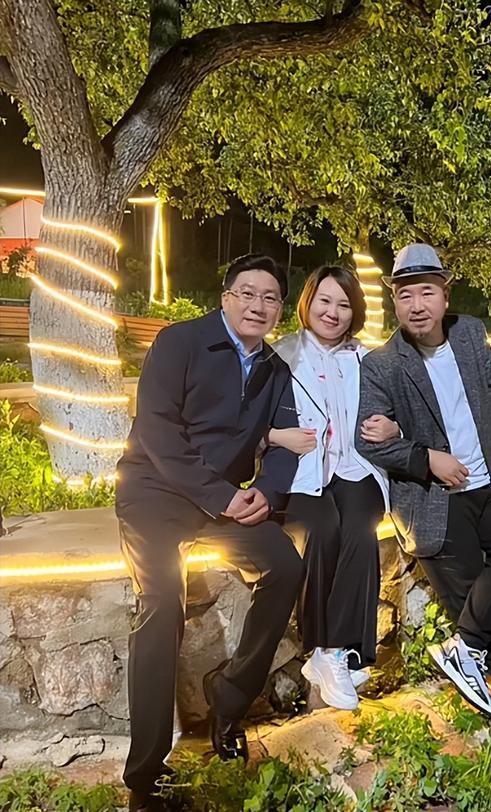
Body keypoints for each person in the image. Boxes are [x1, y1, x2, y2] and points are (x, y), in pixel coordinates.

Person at [355, 243, 491, 738]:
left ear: (445, 295)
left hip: (486, 485)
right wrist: (425, 458)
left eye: (426, 292)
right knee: (471, 582)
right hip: (433, 498)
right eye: (405, 295)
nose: (417, 305)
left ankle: (466, 647)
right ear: (394, 301)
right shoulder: (382, 364)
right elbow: (366, 440)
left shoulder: (471, 335)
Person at [116, 254, 304, 811]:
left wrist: (267, 491)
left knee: (285, 564)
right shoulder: (180, 342)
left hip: (221, 504)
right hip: (154, 493)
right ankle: (145, 773)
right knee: (161, 603)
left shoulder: (275, 369)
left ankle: (229, 695)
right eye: (247, 293)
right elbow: (158, 432)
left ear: (278, 310)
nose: (257, 305)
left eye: (270, 298)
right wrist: (222, 495)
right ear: (225, 298)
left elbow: (285, 442)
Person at [271, 265, 397, 711]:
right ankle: (331, 650)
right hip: (303, 472)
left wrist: (393, 427)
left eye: (344, 304)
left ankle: (332, 652)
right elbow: (248, 423)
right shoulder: (280, 357)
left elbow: (400, 414)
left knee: (361, 531)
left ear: (354, 312)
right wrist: (278, 437)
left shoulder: (370, 361)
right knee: (322, 531)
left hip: (356, 467)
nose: (333, 312)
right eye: (325, 301)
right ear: (308, 303)